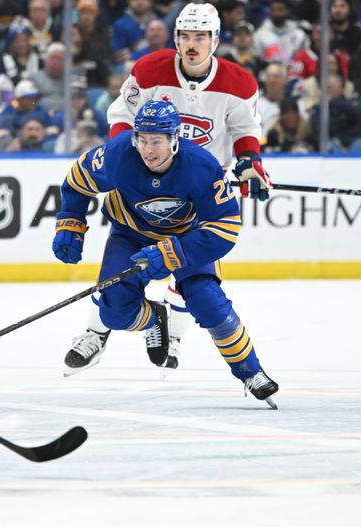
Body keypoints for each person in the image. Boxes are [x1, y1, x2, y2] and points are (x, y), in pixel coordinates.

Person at [69, 2, 271, 375]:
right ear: (176, 38)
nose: (192, 45)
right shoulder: (149, 71)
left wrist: (248, 164)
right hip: (147, 181)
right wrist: (126, 164)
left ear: (215, 39)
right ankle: (98, 331)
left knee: (194, 278)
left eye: (200, 37)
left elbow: (245, 131)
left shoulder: (239, 83)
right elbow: (122, 118)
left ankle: (172, 335)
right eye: (185, 36)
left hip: (198, 192)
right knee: (120, 269)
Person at [52, 100, 279, 408]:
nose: (148, 149)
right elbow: (78, 182)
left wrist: (173, 252)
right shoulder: (118, 155)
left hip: (186, 238)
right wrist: (70, 222)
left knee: (207, 302)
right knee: (114, 312)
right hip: (130, 235)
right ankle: (154, 320)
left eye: (156, 140)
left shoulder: (201, 166)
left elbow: (225, 228)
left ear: (175, 139)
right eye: (142, 139)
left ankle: (251, 372)